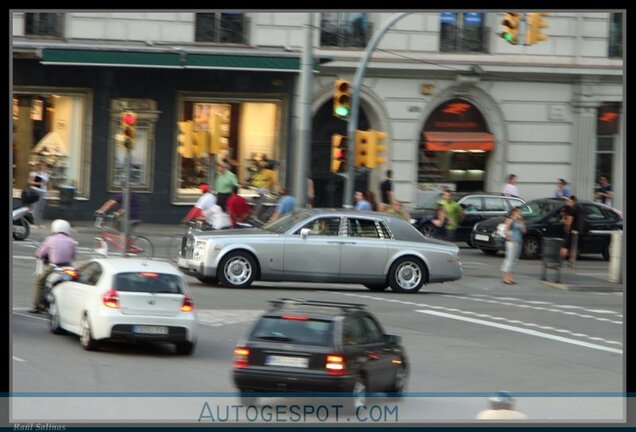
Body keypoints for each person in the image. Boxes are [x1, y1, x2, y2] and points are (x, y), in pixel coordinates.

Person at [30, 219, 78, 313]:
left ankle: (37, 305)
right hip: (68, 267)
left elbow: (40, 253)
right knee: (73, 282)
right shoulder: (71, 241)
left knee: (40, 282)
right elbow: (73, 256)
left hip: (54, 267)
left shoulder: (50, 239)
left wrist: (37, 255)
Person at [500, 206, 526, 285]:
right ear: (513, 212)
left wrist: (521, 220)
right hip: (511, 242)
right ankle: (505, 277)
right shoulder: (509, 219)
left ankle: (510, 277)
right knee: (509, 259)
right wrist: (509, 238)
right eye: (518, 211)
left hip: (519, 241)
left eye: (520, 211)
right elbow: (505, 230)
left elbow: (524, 230)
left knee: (515, 260)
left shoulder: (519, 221)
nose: (519, 213)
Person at [560, 195, 585, 265]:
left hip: (572, 230)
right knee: (573, 246)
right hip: (579, 230)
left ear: (572, 201)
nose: (567, 202)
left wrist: (566, 228)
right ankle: (572, 261)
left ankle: (560, 261)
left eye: (569, 201)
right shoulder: (580, 208)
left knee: (565, 246)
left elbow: (569, 222)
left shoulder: (572, 209)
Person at [28, 160, 50, 228]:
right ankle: (33, 223)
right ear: (39, 166)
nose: (45, 167)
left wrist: (48, 184)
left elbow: (48, 185)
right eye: (43, 165)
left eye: (45, 166)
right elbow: (29, 181)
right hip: (36, 191)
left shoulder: (46, 175)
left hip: (43, 191)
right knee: (35, 207)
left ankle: (39, 223)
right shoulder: (34, 173)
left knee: (41, 208)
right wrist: (38, 183)